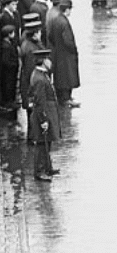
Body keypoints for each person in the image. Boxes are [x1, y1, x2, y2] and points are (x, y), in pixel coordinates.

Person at [27, 50, 61, 182]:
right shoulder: (40, 79)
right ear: (43, 61)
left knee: (48, 142)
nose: (50, 61)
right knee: (42, 143)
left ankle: (47, 167)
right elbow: (40, 102)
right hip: (44, 114)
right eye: (48, 59)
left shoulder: (40, 74)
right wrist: (43, 120)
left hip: (48, 112)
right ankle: (39, 171)